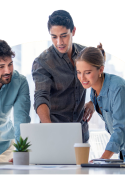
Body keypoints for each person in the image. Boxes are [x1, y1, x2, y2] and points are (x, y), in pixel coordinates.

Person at [32, 9, 104, 143]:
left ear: (74, 31)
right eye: (54, 36)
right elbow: (41, 97)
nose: (59, 42)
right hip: (53, 133)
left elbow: (100, 80)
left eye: (64, 35)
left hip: (80, 133)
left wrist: (93, 102)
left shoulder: (86, 54)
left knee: (81, 165)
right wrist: (49, 128)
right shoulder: (43, 62)